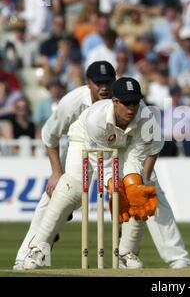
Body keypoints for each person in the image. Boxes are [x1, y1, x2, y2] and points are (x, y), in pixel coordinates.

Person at [22, 77, 158, 269]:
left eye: (135, 102)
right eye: (126, 103)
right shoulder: (96, 120)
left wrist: (133, 184)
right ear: (115, 101)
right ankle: (37, 249)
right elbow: (103, 162)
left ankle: (127, 253)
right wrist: (113, 188)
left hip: (124, 145)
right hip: (85, 138)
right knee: (71, 190)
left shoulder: (146, 119)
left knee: (137, 194)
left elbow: (136, 158)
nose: (131, 108)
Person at [13, 61, 116, 270]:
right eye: (98, 83)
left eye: (108, 82)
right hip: (79, 140)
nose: (103, 87)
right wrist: (56, 172)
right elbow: (49, 135)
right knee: (62, 192)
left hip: (112, 143)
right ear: (88, 83)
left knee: (122, 191)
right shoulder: (72, 102)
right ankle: (26, 257)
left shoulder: (120, 98)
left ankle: (122, 254)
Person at [119, 140, 190, 269]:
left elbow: (153, 150)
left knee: (152, 198)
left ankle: (177, 258)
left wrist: (145, 182)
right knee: (130, 203)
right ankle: (125, 254)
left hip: (140, 157)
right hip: (115, 156)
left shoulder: (150, 124)